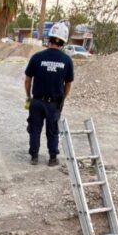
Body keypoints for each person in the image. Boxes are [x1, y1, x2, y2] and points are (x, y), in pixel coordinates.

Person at [24, 22, 74, 166]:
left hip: (37, 101)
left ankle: (34, 156)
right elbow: (68, 83)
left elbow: (28, 80)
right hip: (53, 103)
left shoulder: (37, 57)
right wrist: (62, 99)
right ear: (63, 42)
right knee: (52, 131)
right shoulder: (67, 61)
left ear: (49, 39)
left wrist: (28, 97)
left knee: (35, 130)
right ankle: (52, 158)